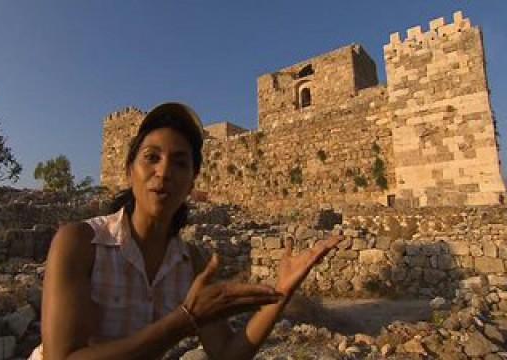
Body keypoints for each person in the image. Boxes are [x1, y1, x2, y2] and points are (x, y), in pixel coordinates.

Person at [31, 102, 340, 359]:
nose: (163, 172)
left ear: (192, 183)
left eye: (179, 163)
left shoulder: (192, 263)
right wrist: (184, 321)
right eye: (151, 157)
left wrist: (282, 292)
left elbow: (226, 353)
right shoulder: (80, 243)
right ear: (129, 171)